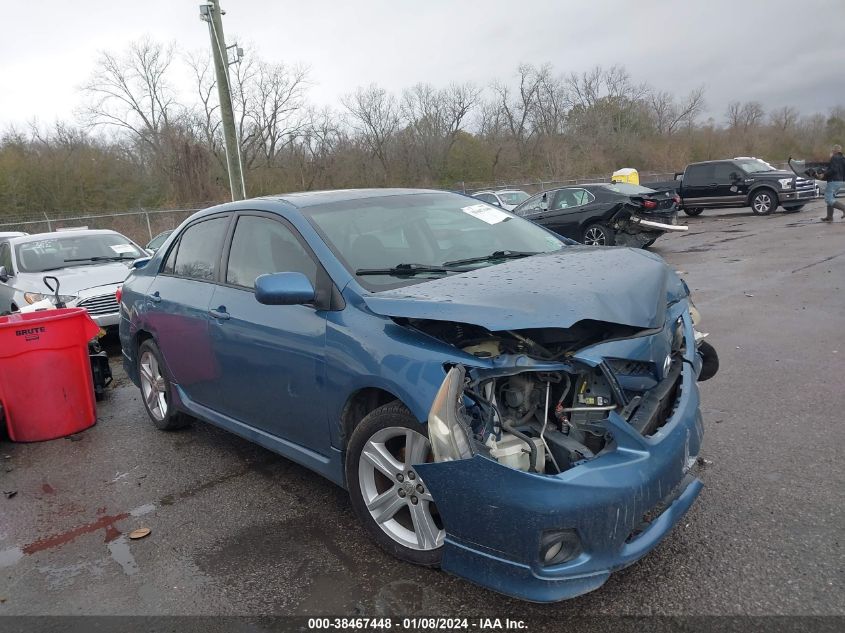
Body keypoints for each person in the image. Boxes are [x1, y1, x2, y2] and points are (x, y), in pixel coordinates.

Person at [821, 144, 845, 222]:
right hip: (840, 181)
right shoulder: (843, 158)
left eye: (832, 150)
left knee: (828, 199)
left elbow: (833, 170)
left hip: (833, 181)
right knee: (831, 197)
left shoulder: (834, 158)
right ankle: (829, 216)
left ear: (834, 151)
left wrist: (824, 173)